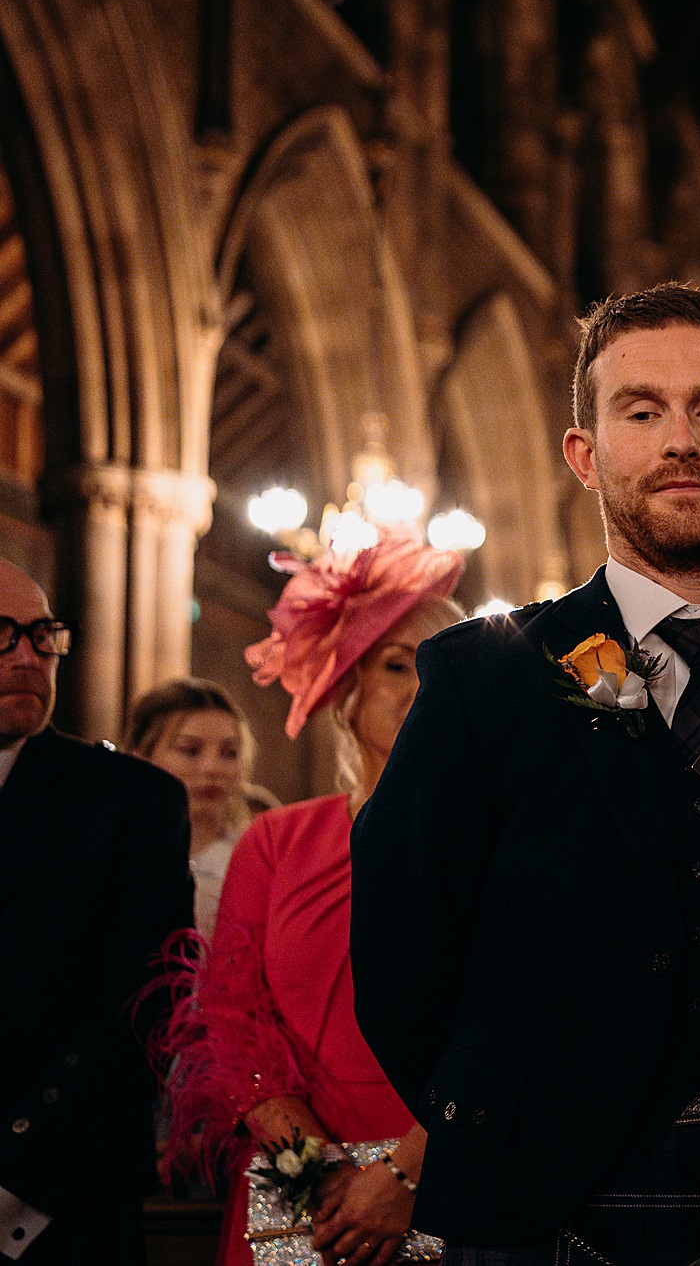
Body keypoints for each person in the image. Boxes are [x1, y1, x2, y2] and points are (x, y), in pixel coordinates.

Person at [350, 282, 700, 1266]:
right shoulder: (489, 678)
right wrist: (498, 1128)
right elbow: (403, 945)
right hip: (546, 1207)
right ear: (585, 454)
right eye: (641, 410)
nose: (680, 439)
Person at [162, 535, 463, 1266]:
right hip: (301, 1188)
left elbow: (518, 1021)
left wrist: (402, 1175)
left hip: (453, 1174)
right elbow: (231, 1020)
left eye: (442, 668)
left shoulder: (503, 845)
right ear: (347, 690)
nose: (421, 686)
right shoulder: (276, 842)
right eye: (396, 665)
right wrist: (317, 1170)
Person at [0, 560, 192, 1265]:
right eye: (3, 634)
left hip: (60, 1212)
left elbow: (144, 1010)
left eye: (42, 634)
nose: (28, 656)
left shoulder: (129, 802)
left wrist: (12, 1191)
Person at [123, 677, 260, 939]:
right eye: (190, 750)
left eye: (229, 753)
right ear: (140, 755)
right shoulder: (118, 851)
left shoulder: (254, 855)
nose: (212, 768)